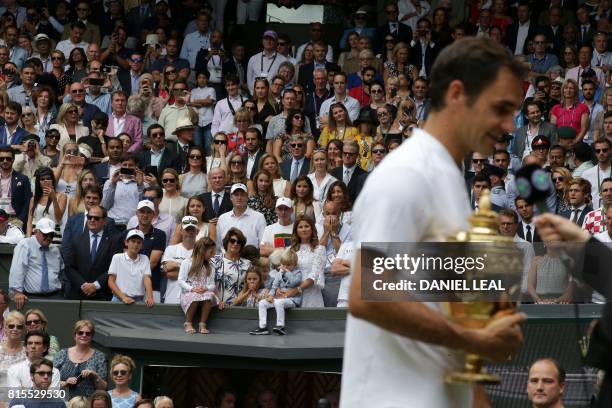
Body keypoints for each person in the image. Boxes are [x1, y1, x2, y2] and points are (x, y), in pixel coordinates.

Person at [341, 37, 528, 407]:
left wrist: (485, 331)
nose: (509, 125)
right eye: (501, 108)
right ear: (458, 93)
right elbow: (367, 296)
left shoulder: (448, 180)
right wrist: (475, 339)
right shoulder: (406, 173)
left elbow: (447, 323)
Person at [66, 205, 120, 301]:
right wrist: (83, 285)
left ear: (104, 221)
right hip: (79, 295)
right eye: (89, 217)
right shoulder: (76, 240)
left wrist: (96, 285)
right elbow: (70, 267)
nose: (92, 220)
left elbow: (114, 268)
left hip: (103, 295)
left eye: (96, 218)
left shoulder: (114, 241)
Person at [9, 218, 63, 308]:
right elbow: (18, 269)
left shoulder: (55, 250)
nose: (49, 237)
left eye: (51, 234)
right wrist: (17, 292)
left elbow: (61, 271)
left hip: (55, 295)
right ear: (36, 232)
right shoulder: (25, 245)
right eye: (45, 234)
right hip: (31, 297)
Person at [250, 248, 301, 336]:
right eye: (283, 265)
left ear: (294, 264)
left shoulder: (297, 273)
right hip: (279, 299)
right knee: (262, 303)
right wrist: (270, 295)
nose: (285, 267)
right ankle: (263, 327)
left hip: (292, 300)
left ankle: (280, 326)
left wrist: (287, 273)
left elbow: (294, 283)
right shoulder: (279, 274)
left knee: (279, 302)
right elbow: (274, 287)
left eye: (288, 265)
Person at [55, 320, 108, 400]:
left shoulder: (99, 357)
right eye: (80, 333)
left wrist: (95, 375)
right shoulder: (62, 354)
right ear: (74, 335)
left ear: (92, 336)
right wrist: (65, 383)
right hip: (63, 403)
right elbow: (49, 381)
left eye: (88, 333)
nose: (84, 335)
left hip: (88, 403)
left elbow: (103, 389)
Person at [178, 237, 218, 334]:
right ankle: (188, 322)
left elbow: (212, 285)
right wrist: (192, 289)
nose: (212, 255)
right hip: (189, 292)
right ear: (202, 251)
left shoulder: (210, 266)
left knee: (209, 296)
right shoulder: (187, 262)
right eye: (211, 252)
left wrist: (206, 288)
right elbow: (181, 281)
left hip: (203, 292)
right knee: (195, 297)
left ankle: (202, 323)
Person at [108, 229, 154, 307]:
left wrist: (150, 297)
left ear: (142, 245)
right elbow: (111, 281)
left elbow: (147, 279)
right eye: (133, 241)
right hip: (118, 299)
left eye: (139, 242)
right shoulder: (117, 257)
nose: (136, 244)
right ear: (126, 242)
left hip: (138, 300)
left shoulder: (145, 258)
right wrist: (123, 297)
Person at [216, 183, 266, 250]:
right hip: (226, 259)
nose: (239, 198)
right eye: (236, 195)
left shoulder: (259, 217)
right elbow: (218, 246)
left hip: (250, 259)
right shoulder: (222, 218)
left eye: (242, 195)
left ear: (247, 197)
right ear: (231, 197)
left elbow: (262, 244)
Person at [211, 228, 251, 306]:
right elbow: (209, 283)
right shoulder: (214, 260)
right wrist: (218, 302)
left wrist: (236, 302)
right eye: (232, 241)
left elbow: (248, 286)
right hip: (216, 307)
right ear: (226, 242)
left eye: (239, 242)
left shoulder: (247, 264)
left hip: (239, 307)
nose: (235, 244)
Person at [582, 139, 611, 208]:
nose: (601, 153)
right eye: (598, 151)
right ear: (595, 153)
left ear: (610, 150)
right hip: (594, 215)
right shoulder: (586, 174)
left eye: (604, 150)